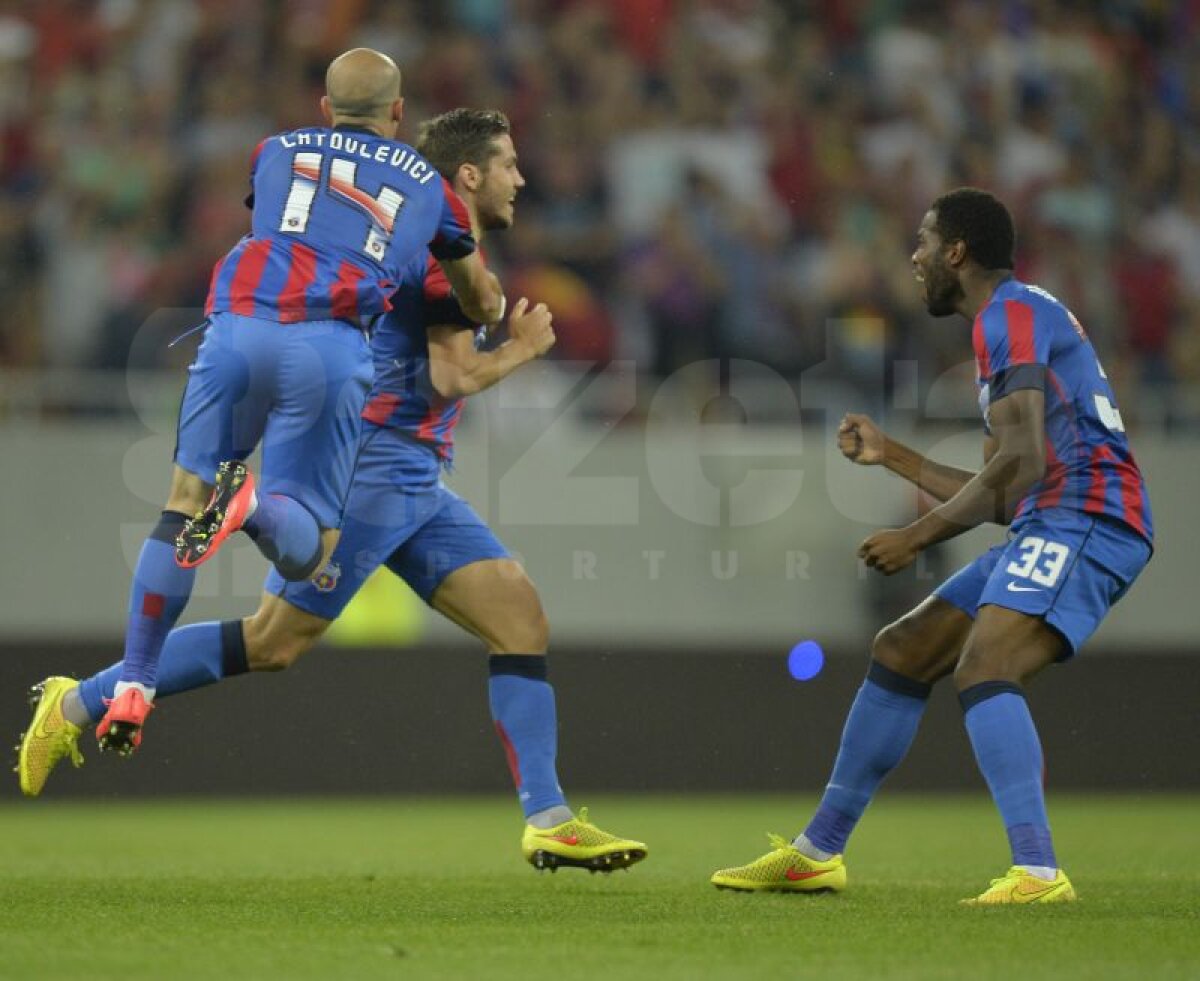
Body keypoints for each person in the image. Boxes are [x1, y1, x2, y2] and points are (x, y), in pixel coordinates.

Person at [19, 108, 647, 875]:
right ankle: (76, 700)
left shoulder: (403, 229)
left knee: (519, 615)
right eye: (509, 164)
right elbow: (452, 374)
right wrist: (521, 349)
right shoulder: (439, 248)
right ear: (469, 175)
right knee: (272, 641)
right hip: (374, 464)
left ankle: (548, 819)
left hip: (412, 474)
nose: (521, 178)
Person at [42, 48, 502, 756]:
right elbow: (472, 294)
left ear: (324, 107)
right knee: (309, 553)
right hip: (332, 347)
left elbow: (297, 219)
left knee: (183, 500)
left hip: (239, 326)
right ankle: (252, 507)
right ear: (399, 111)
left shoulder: (275, 149)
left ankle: (134, 677)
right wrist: (488, 305)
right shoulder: (427, 184)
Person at [710, 188, 1152, 904]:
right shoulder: (1012, 321)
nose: (913, 256)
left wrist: (916, 535)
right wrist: (893, 456)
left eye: (922, 241)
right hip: (1051, 517)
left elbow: (1024, 463)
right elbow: (1003, 492)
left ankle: (1038, 871)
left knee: (986, 664)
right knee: (904, 648)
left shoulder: (1009, 317)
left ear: (957, 251)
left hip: (1090, 518)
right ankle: (817, 852)